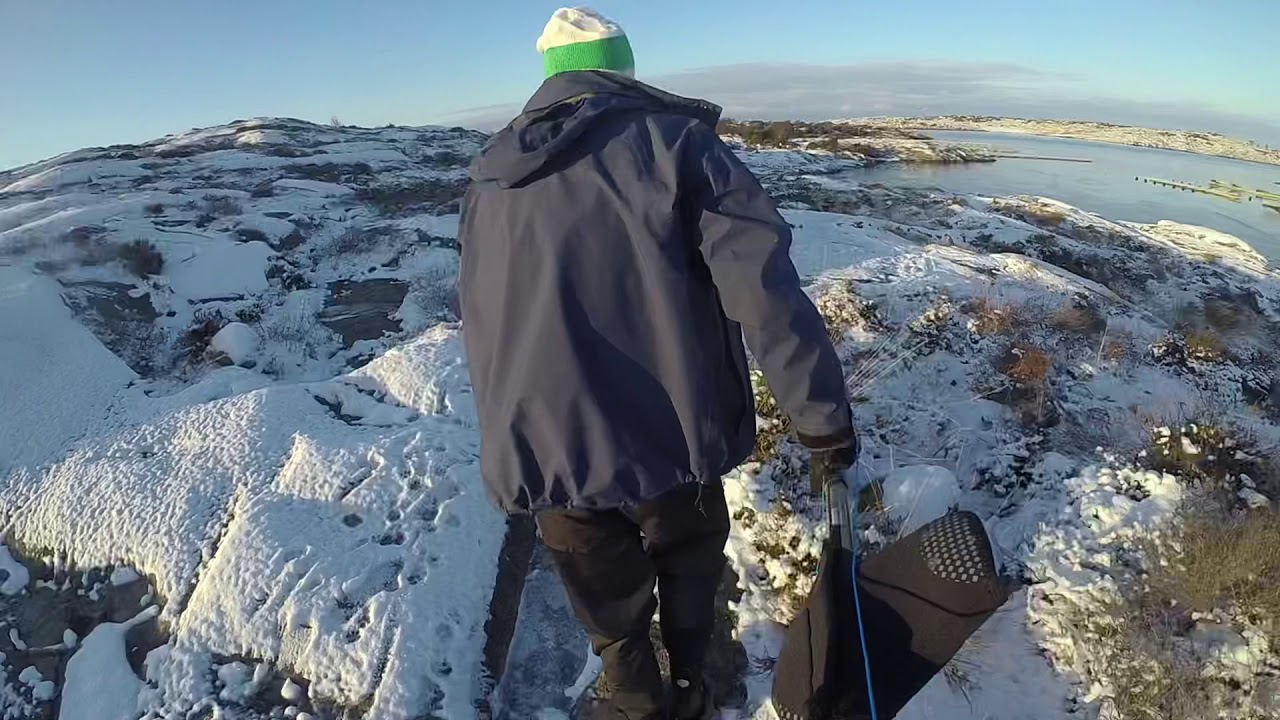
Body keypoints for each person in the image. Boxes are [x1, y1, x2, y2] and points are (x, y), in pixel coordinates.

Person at [456, 7, 857, 719]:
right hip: (673, 438)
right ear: (623, 66)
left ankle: (635, 695)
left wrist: (511, 443)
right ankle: (689, 686)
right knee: (689, 576)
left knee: (609, 609)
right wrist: (821, 421)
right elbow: (764, 293)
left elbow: (484, 322)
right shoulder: (678, 146)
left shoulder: (490, 177)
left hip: (548, 449)